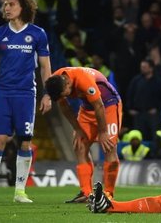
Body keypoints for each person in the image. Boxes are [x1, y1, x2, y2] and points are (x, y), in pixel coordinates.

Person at [0, 0, 52, 204]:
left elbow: (46, 67)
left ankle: (20, 192)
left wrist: (48, 94)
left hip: (27, 94)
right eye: (5, 4)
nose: (6, 8)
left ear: (23, 7)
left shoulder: (38, 34)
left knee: (25, 142)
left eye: (11, 4)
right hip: (3, 93)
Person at [44, 66, 122, 203]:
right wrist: (77, 129)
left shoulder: (83, 79)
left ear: (68, 83)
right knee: (80, 146)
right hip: (87, 108)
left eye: (64, 94)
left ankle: (108, 193)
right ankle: (86, 193)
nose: (65, 97)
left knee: (109, 147)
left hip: (108, 105)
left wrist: (103, 132)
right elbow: (64, 106)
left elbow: (99, 106)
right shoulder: (56, 81)